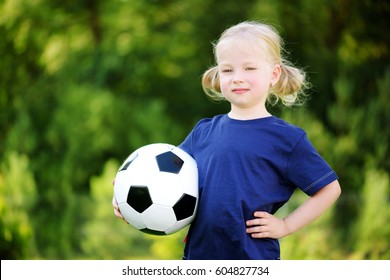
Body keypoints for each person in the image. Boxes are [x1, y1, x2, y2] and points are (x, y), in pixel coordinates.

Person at [112, 21, 341, 260]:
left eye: (249, 68)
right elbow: (163, 177)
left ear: (274, 74)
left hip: (253, 260)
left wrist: (285, 225)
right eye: (228, 70)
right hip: (199, 259)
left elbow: (329, 189)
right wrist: (127, 194)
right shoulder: (204, 132)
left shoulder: (286, 139)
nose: (237, 78)